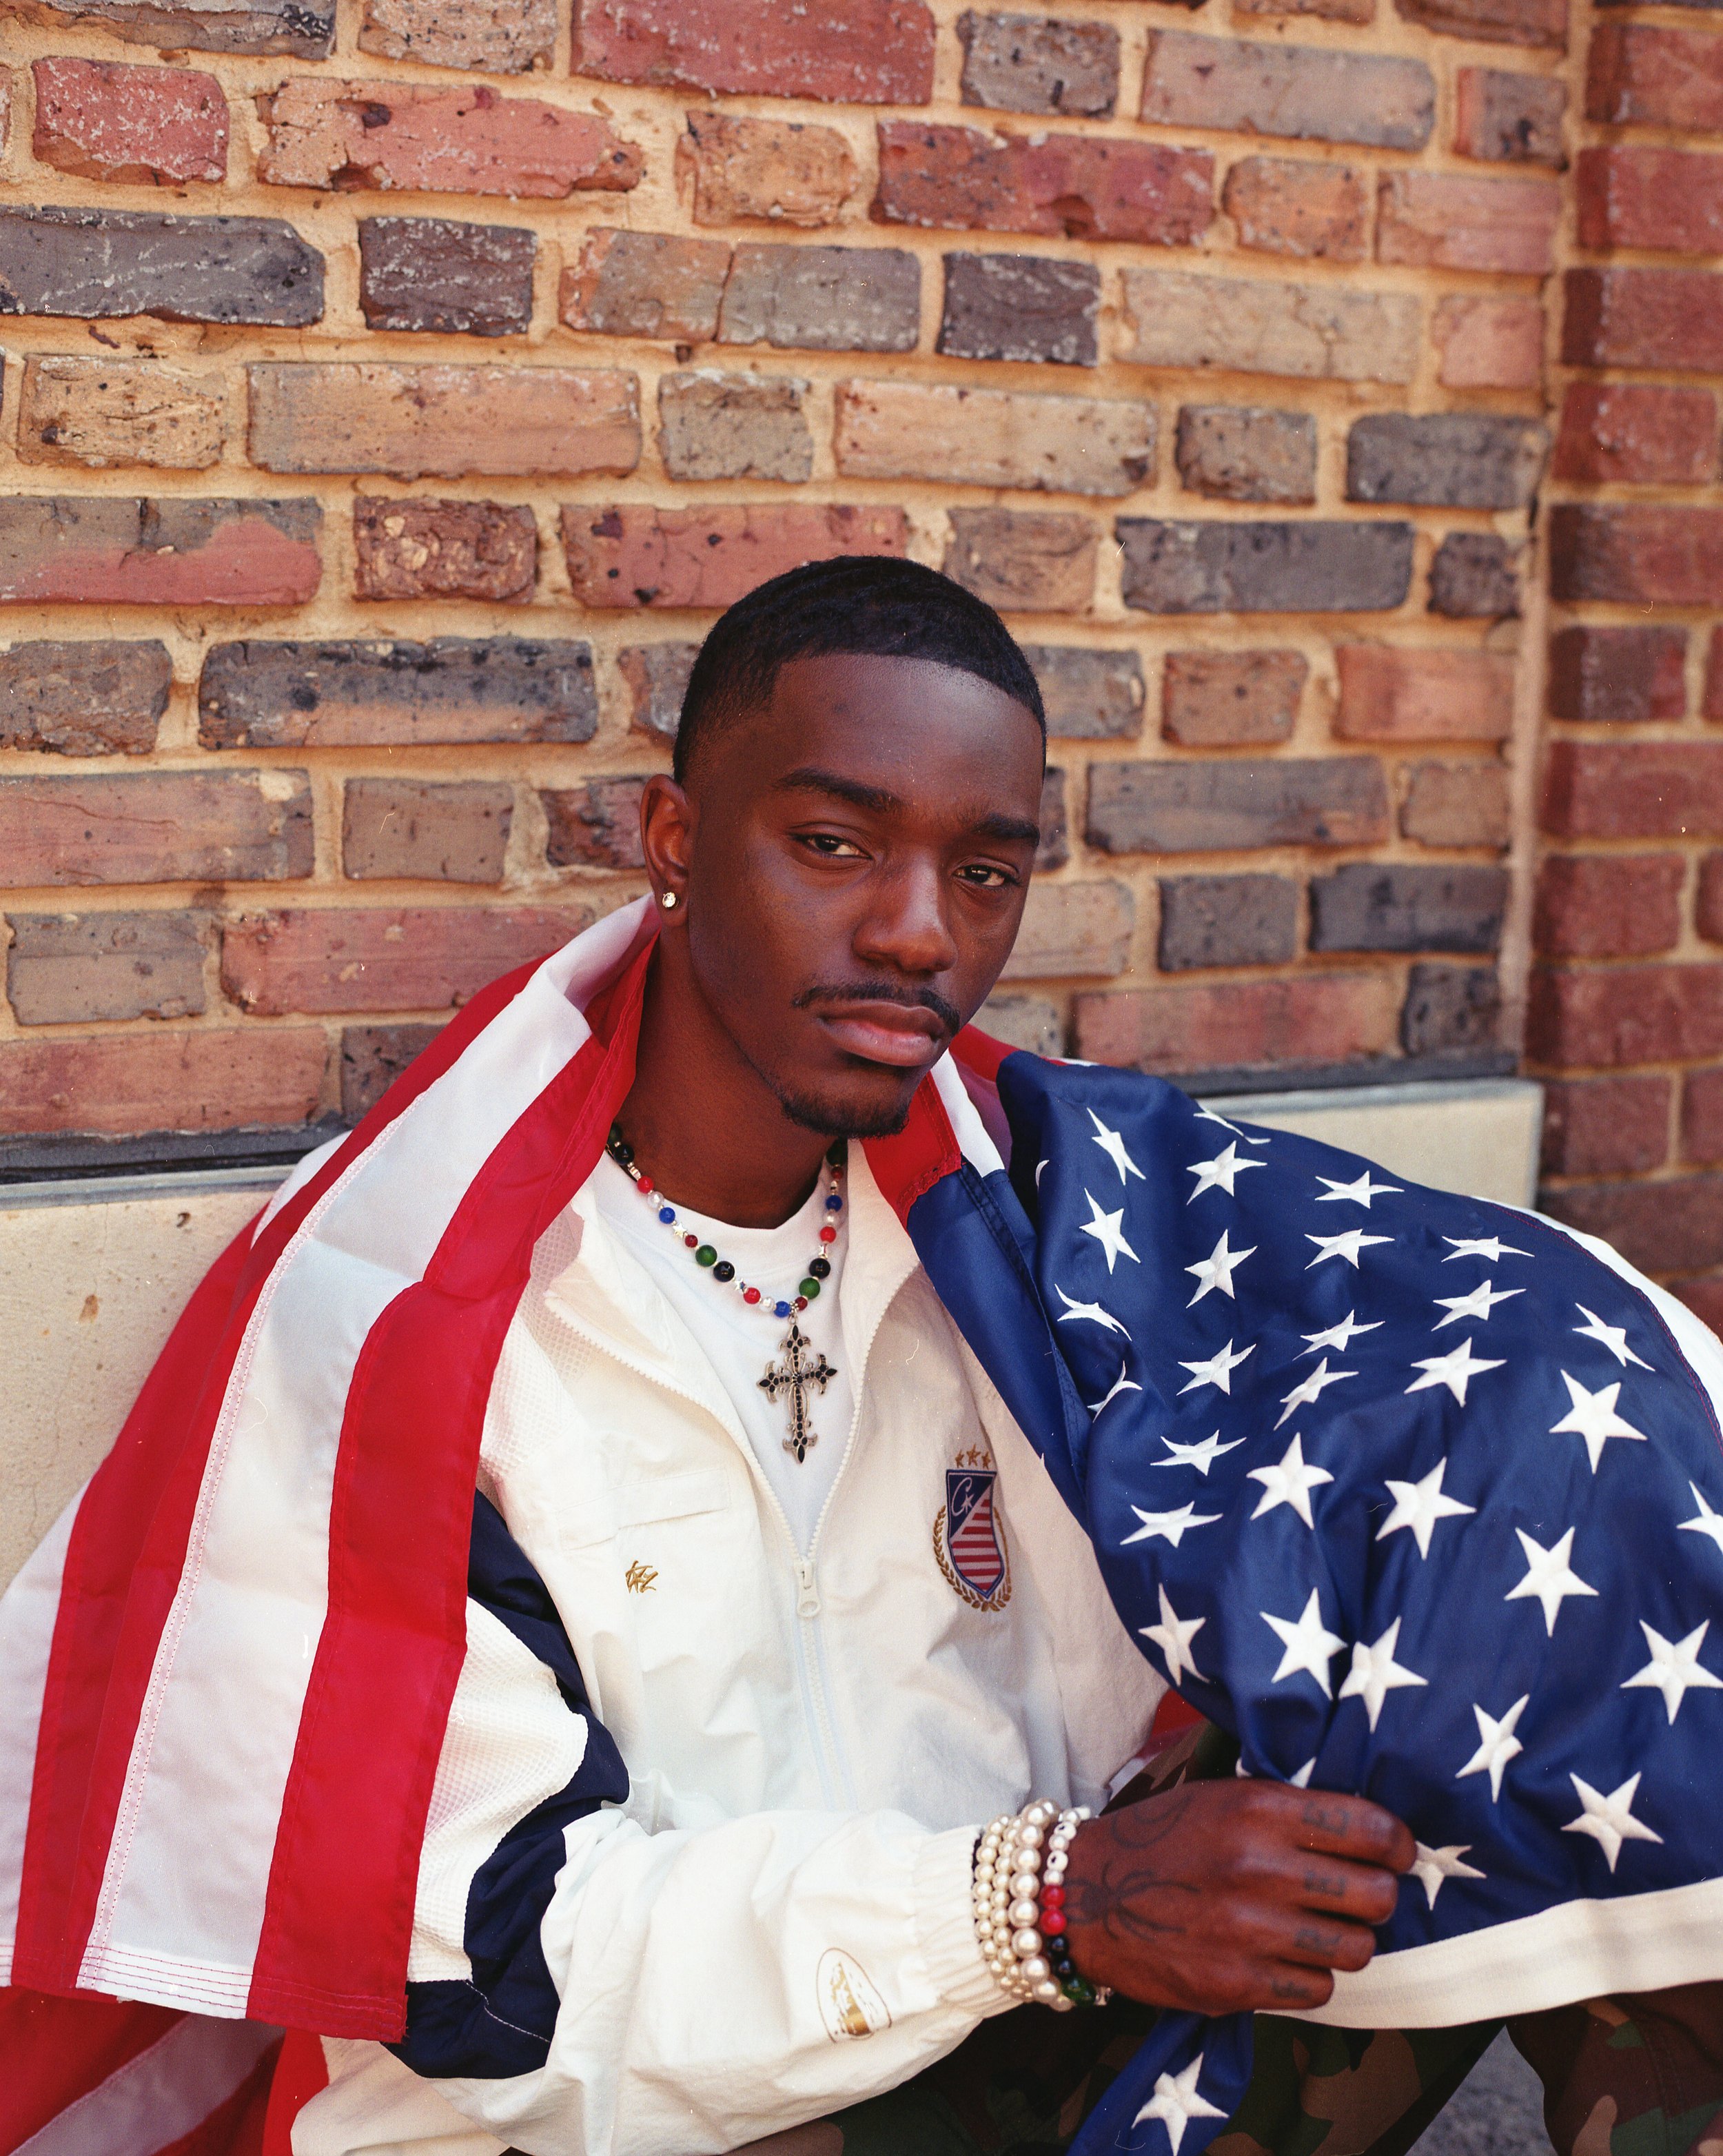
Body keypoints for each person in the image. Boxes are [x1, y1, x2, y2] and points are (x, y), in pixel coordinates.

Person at [2, 559, 1719, 2156]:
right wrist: (1048, 1896)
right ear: (675, 836)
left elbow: (1504, 1354)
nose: (919, 931)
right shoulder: (404, 1314)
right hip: (620, 2116)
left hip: (1003, 2019)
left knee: (1572, 1744)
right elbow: (498, 1977)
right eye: (834, 844)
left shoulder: (1034, 1213)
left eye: (981, 870)